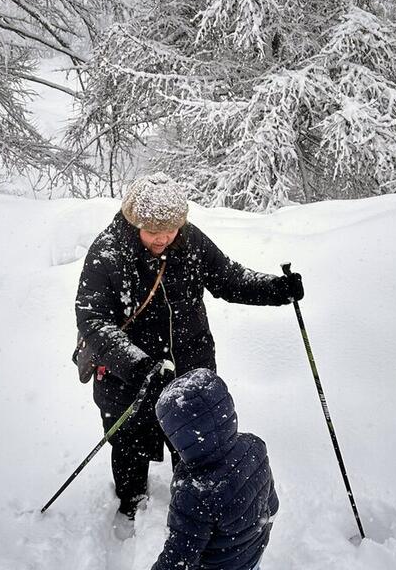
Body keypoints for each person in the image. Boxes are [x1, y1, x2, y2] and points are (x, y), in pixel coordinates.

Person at [74, 171, 302, 538]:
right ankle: (131, 506)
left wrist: (275, 289)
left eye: (171, 230)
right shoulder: (107, 253)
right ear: (134, 224)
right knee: (130, 443)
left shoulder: (191, 241)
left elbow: (228, 277)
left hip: (189, 367)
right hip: (127, 378)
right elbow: (93, 321)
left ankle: (192, 508)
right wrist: (138, 365)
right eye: (153, 232)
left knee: (195, 444)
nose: (163, 238)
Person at [116, 368, 278, 570]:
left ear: (180, 438)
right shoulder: (253, 446)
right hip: (252, 551)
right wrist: (261, 528)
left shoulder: (195, 491)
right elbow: (270, 500)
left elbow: (178, 559)